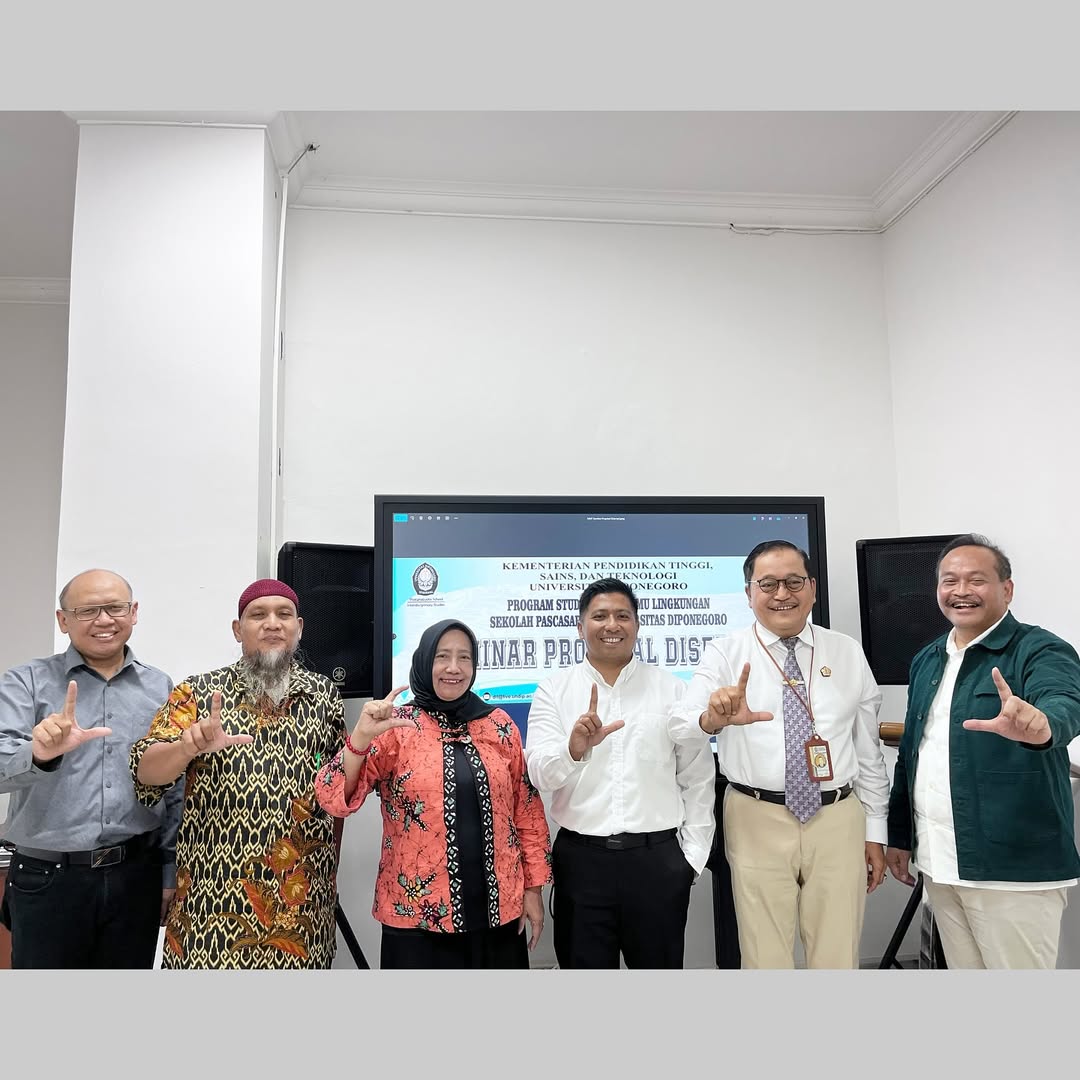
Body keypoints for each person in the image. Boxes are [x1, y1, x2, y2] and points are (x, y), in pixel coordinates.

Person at [671, 541, 889, 969]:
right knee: (764, 955)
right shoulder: (725, 653)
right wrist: (711, 719)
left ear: (813, 588)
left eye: (793, 582)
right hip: (756, 816)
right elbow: (679, 725)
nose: (782, 594)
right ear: (749, 593)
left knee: (838, 953)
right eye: (767, 584)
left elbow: (868, 752)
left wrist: (875, 830)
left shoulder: (846, 651)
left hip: (838, 816)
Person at [130, 578, 346, 969]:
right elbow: (146, 772)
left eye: (284, 614)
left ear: (299, 627)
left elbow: (335, 793)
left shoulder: (324, 696)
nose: (272, 623)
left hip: (300, 911)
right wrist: (186, 748)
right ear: (237, 629)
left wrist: (329, 878)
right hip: (211, 910)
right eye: (258, 614)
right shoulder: (198, 692)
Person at [887, 533, 1080, 969]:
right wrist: (900, 835)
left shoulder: (1039, 648)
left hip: (1011, 870)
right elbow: (912, 754)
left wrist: (1042, 725)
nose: (961, 591)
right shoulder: (928, 659)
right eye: (949, 580)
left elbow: (1065, 701)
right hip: (940, 862)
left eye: (976, 580)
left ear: (1006, 589)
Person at [315, 618, 551, 969]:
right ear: (425, 660)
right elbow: (332, 796)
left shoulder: (499, 724)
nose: (454, 668)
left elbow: (526, 812)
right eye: (442, 656)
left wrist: (533, 889)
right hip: (415, 921)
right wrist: (361, 737)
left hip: (499, 913)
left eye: (464, 657)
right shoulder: (396, 727)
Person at [524, 577, 715, 969]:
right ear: (580, 627)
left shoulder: (672, 690)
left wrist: (691, 859)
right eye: (600, 616)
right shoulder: (554, 690)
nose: (612, 624)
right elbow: (540, 774)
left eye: (622, 616)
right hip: (582, 864)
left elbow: (697, 778)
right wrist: (573, 749)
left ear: (637, 625)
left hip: (658, 863)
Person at [0, 568, 180, 968]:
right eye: (87, 610)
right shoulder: (26, 682)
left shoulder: (159, 686)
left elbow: (174, 786)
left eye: (115, 607)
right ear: (63, 620)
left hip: (136, 876)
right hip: (48, 879)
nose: (104, 620)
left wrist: (169, 870)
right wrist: (39, 753)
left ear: (133, 612)